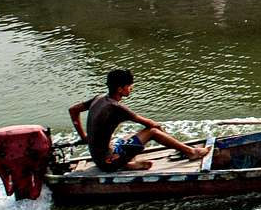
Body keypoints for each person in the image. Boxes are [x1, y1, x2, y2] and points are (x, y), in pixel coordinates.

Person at [68, 69, 208, 171]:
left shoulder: (98, 98)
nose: (131, 88)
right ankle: (191, 152)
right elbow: (151, 125)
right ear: (120, 89)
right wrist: (163, 132)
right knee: (152, 131)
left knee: (129, 137)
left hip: (98, 157)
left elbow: (73, 110)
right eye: (129, 86)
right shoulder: (116, 107)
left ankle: (128, 164)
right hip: (107, 162)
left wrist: (84, 137)